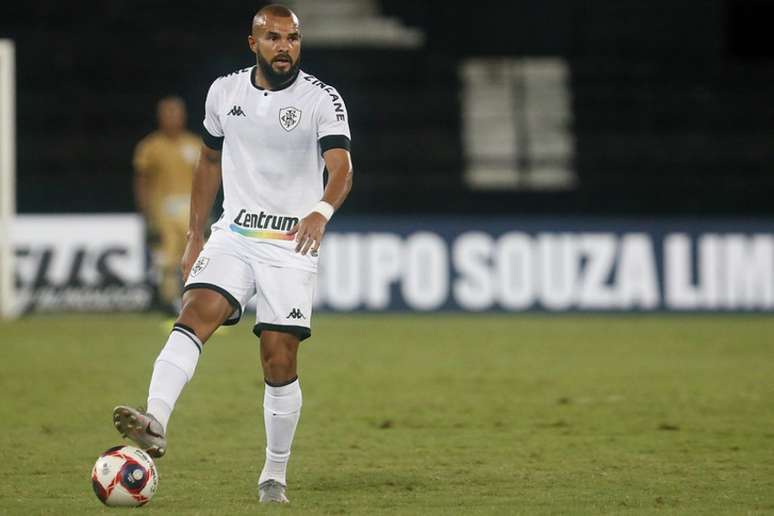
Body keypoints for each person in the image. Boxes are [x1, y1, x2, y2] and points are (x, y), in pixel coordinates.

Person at [112, 4, 353, 504]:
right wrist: (195, 234)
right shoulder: (225, 92)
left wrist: (321, 211)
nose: (284, 46)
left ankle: (274, 475)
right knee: (196, 309)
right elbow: (209, 160)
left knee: (278, 358)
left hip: (291, 243)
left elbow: (341, 167)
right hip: (235, 234)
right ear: (253, 43)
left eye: (292, 38)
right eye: (273, 37)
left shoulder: (322, 99)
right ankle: (155, 418)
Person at [133, 96, 201, 314]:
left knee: (200, 258)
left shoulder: (195, 144)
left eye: (176, 113)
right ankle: (170, 307)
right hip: (163, 211)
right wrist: (145, 213)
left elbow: (207, 179)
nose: (173, 118)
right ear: (160, 117)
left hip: (192, 212)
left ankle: (200, 305)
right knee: (168, 261)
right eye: (168, 114)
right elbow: (141, 181)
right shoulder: (150, 147)